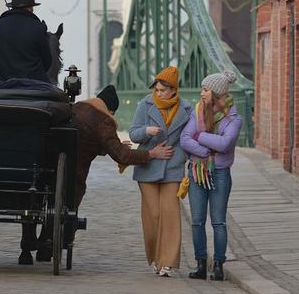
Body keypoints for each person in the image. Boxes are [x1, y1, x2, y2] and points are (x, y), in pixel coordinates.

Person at [28, 84, 176, 264]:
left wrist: (112, 145)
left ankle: (30, 243)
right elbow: (122, 156)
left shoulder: (77, 108)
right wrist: (151, 154)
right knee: (68, 203)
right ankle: (53, 242)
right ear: (110, 110)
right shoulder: (103, 121)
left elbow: (86, 138)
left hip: (47, 167)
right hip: (74, 174)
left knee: (43, 199)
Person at [129, 66, 192, 277]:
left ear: (173, 90)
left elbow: (187, 140)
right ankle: (156, 257)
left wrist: (178, 158)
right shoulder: (144, 105)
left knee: (170, 215)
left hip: (172, 168)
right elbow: (134, 134)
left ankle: (168, 262)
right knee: (153, 215)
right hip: (147, 167)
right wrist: (146, 131)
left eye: (163, 90)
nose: (158, 94)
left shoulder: (186, 109)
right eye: (156, 90)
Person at [180, 69, 241, 281]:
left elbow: (225, 144)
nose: (201, 93)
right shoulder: (197, 111)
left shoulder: (233, 118)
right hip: (197, 172)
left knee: (218, 222)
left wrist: (201, 135)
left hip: (220, 173)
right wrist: (205, 151)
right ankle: (200, 263)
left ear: (216, 93)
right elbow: (185, 139)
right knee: (197, 221)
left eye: (205, 90)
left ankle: (218, 265)